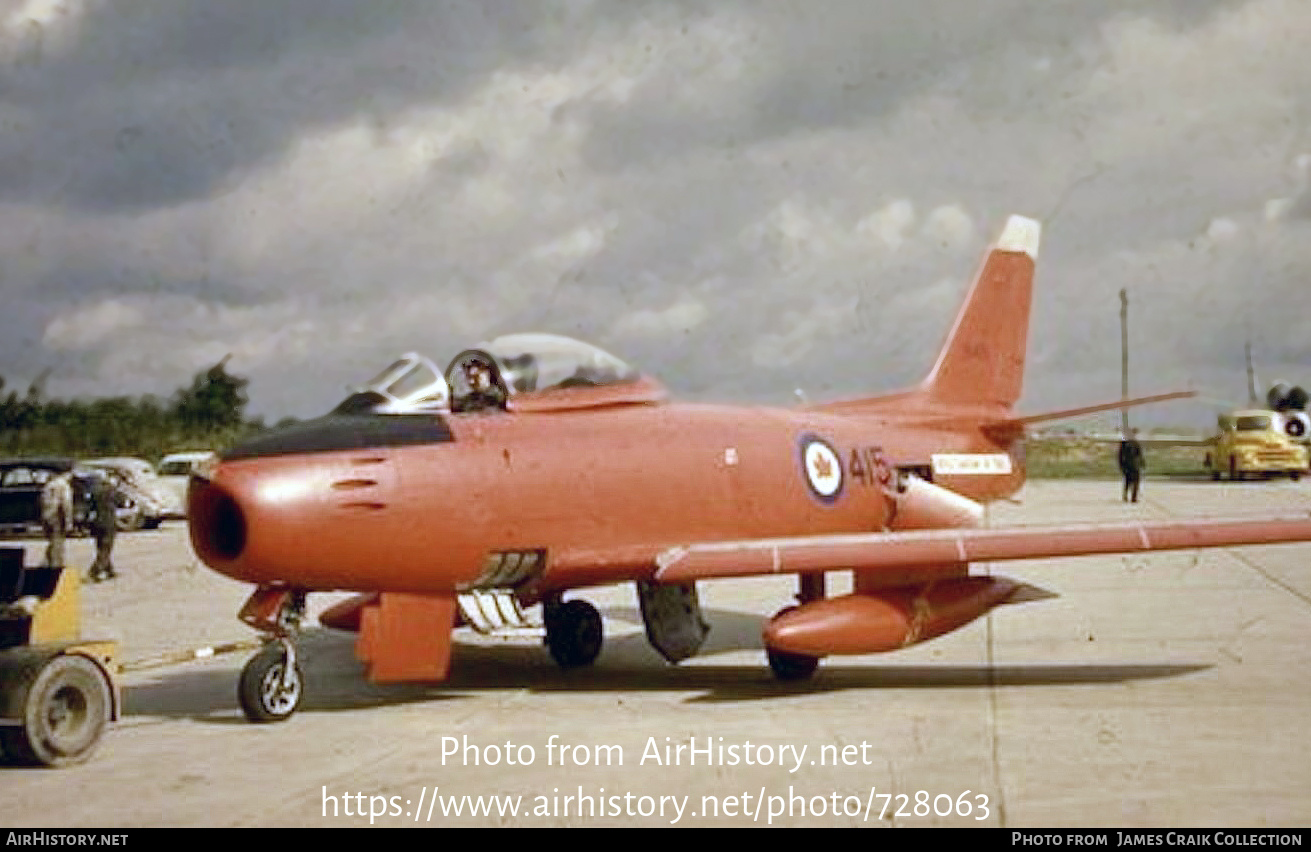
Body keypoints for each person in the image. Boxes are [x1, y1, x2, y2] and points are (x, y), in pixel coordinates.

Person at [86, 473, 118, 582]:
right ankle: (95, 570)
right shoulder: (113, 491)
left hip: (96, 521)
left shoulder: (94, 491)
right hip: (108, 521)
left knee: (100, 546)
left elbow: (90, 506)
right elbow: (123, 501)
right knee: (106, 547)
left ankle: (109, 569)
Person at [39, 471, 74, 568]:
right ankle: (56, 566)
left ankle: (46, 563)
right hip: (58, 515)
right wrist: (69, 522)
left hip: (47, 515)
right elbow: (66, 505)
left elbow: (42, 502)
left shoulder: (48, 485)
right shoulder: (64, 486)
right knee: (58, 542)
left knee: (52, 541)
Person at [1118, 429, 1145, 503]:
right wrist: (1142, 464)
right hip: (1132, 465)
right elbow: (1140, 455)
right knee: (1131, 482)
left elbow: (1139, 455)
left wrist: (1121, 465)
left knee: (1129, 482)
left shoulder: (1127, 443)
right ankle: (1131, 497)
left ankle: (1129, 497)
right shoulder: (1133, 443)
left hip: (1130, 466)